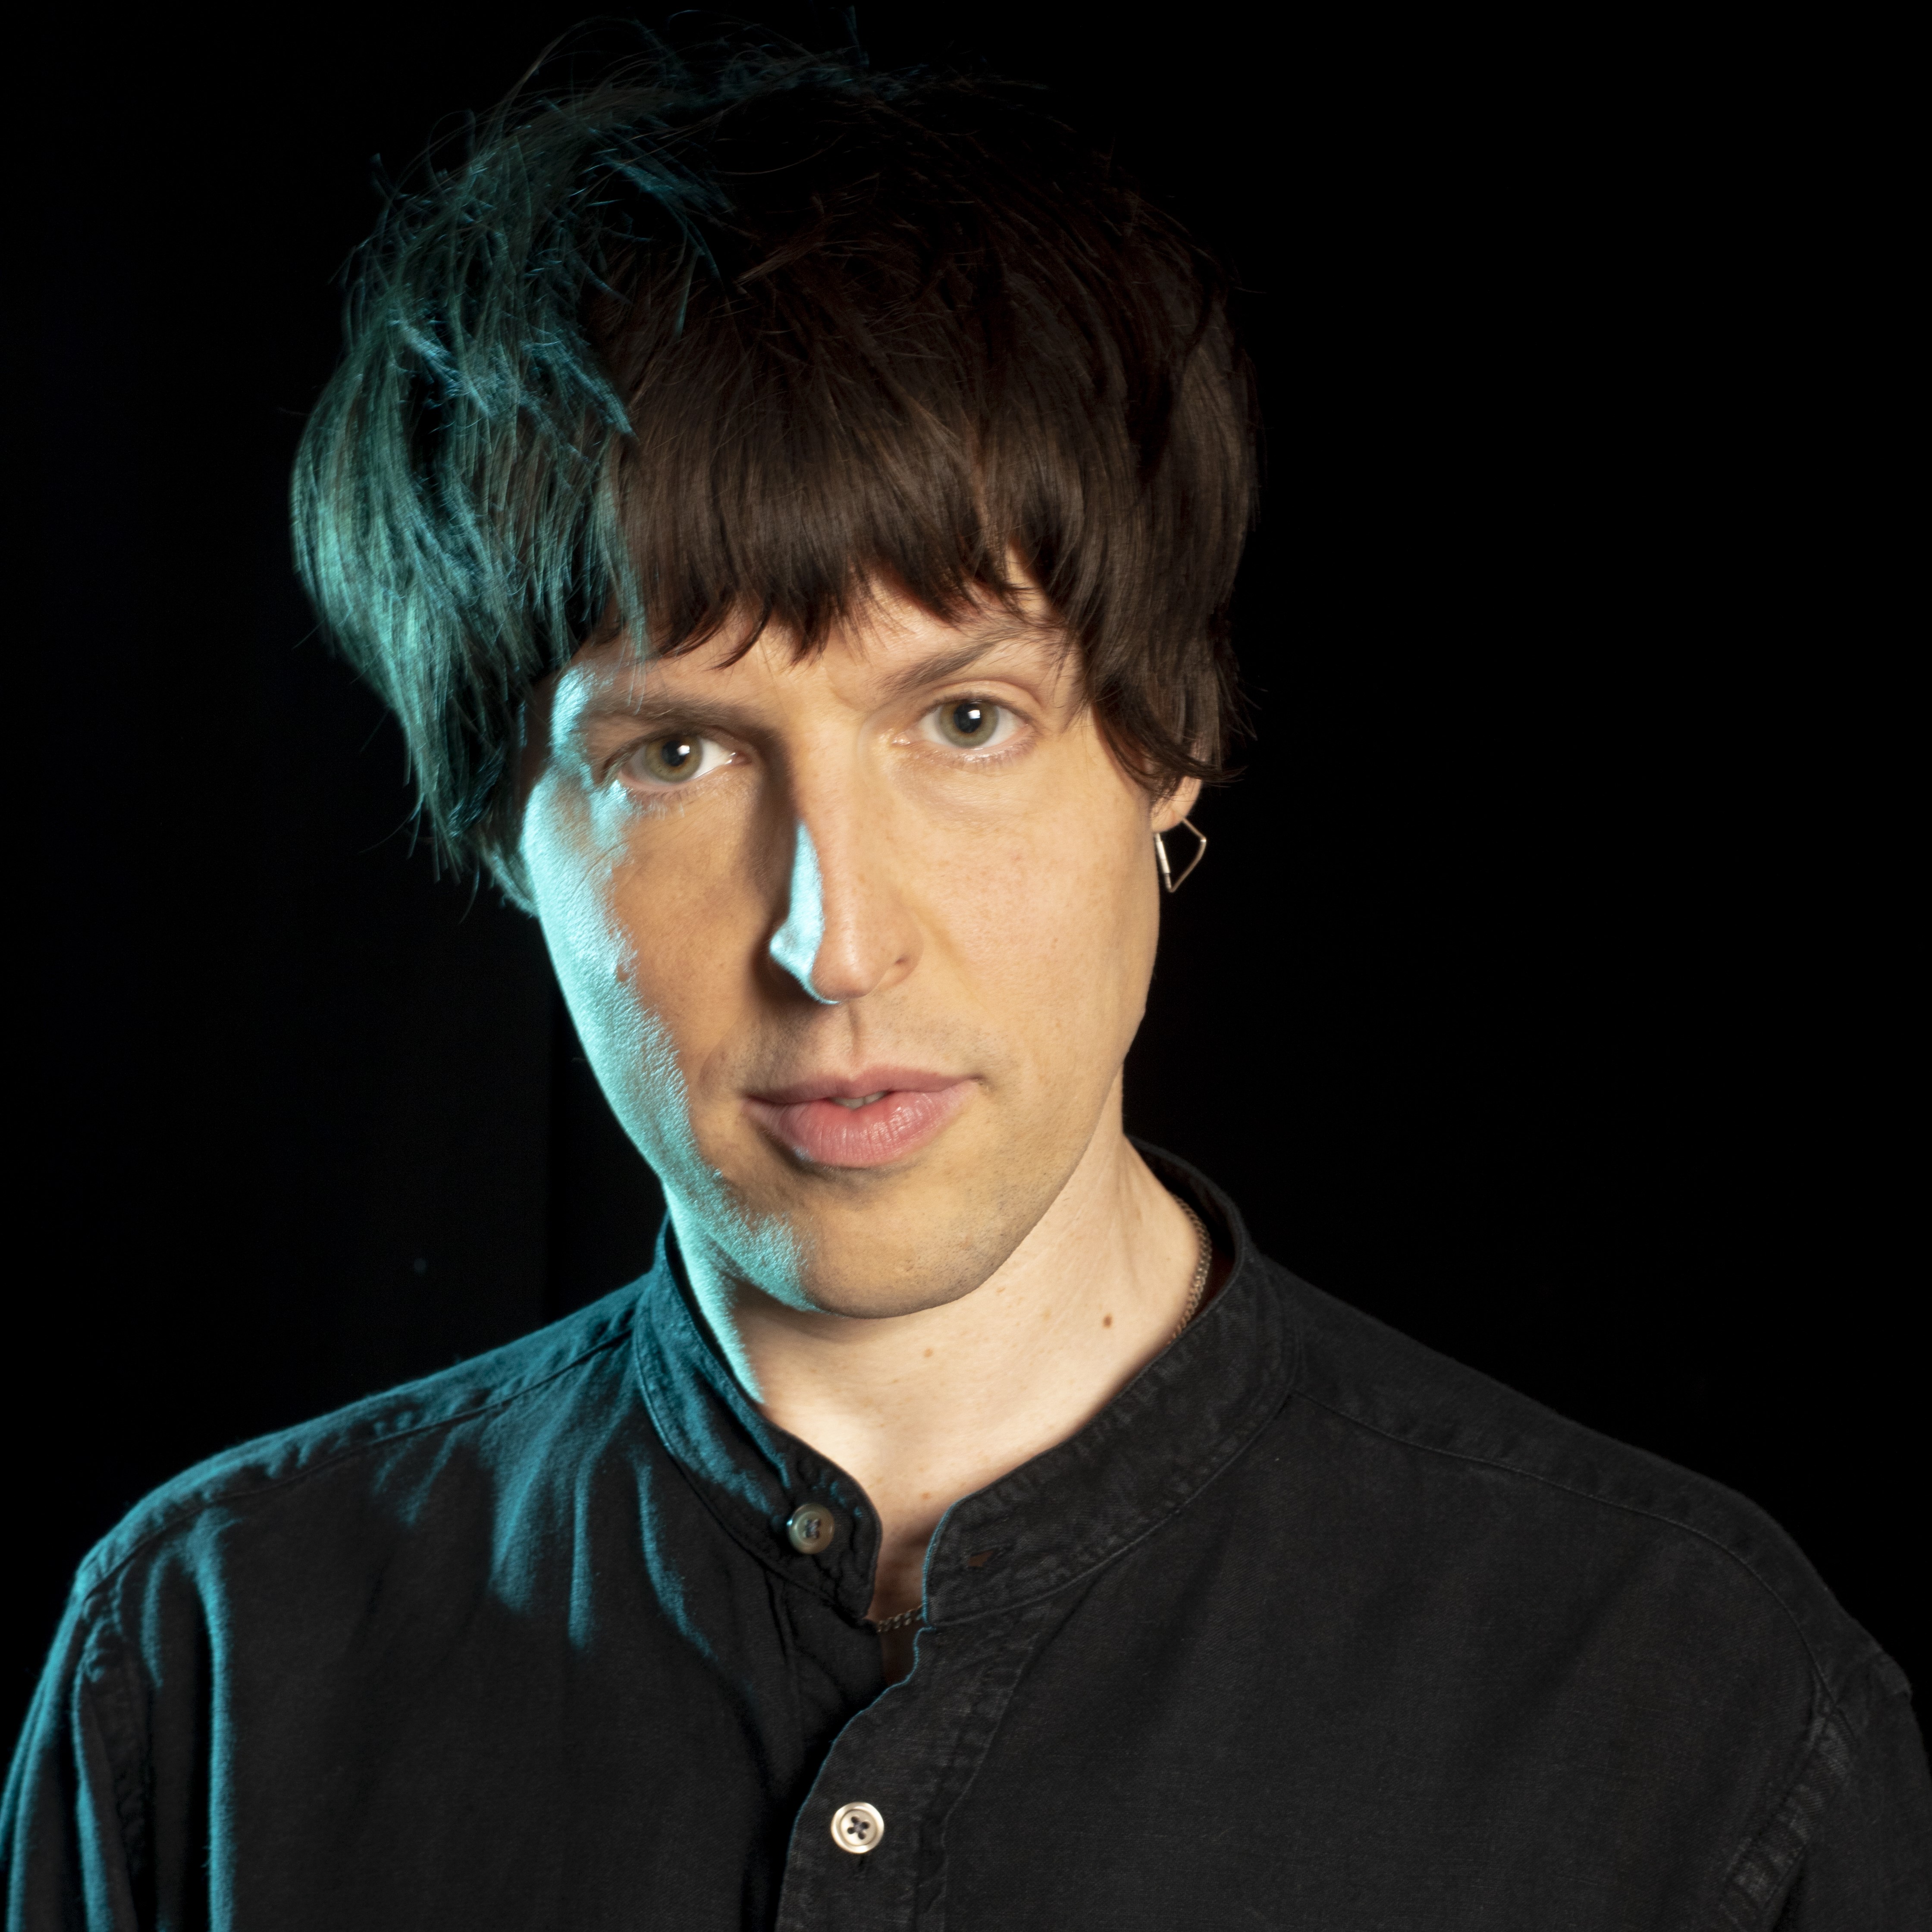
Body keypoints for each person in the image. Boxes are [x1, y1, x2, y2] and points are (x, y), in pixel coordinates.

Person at [4, 41, 1926, 1932]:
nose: (836, 944)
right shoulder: (205, 1670)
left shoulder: (1697, 1715)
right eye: (678, 755)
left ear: (1169, 743)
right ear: (503, 834)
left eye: (967, 719)